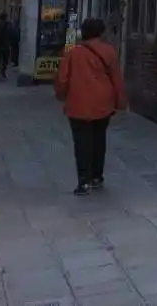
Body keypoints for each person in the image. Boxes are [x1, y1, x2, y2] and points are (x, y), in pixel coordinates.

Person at [53, 18, 127, 195]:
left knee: (81, 142)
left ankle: (83, 182)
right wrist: (120, 101)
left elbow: (62, 79)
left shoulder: (71, 52)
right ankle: (97, 176)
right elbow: (116, 78)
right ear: (100, 32)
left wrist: (62, 95)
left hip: (78, 103)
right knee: (99, 139)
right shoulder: (109, 51)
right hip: (103, 102)